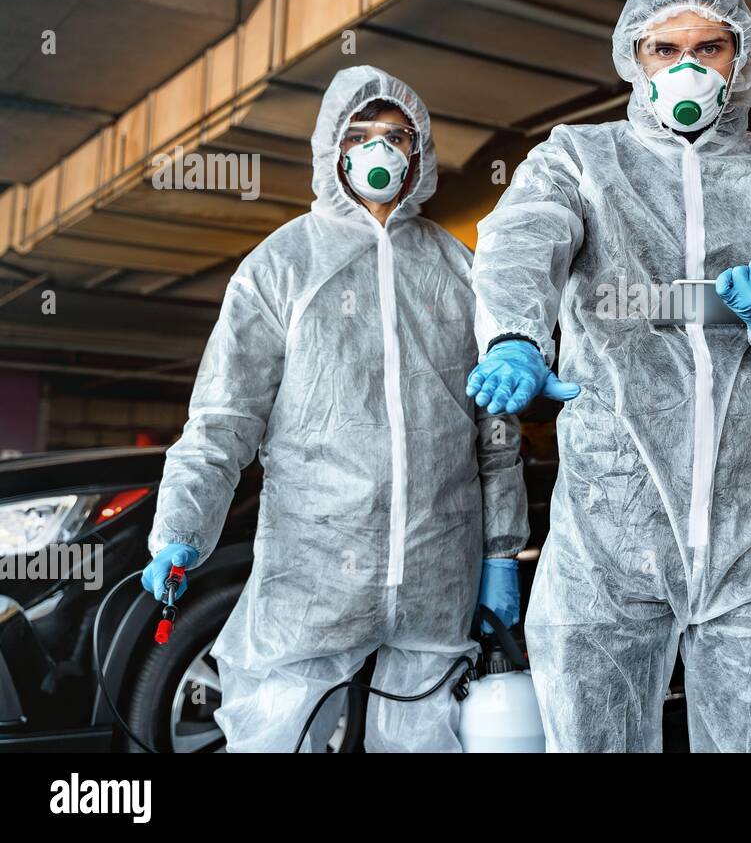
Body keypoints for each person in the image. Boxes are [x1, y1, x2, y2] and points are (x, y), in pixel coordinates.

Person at [467, 0, 751, 752]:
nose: (686, 67)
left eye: (708, 47)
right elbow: (519, 243)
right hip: (610, 537)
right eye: (665, 48)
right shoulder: (581, 161)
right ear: (635, 57)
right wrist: (516, 336)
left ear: (740, 58)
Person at [141, 66, 527, 752]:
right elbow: (223, 419)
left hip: (436, 575)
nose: (381, 150)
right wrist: (181, 527)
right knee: (276, 733)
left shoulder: (456, 270)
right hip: (311, 577)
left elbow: (494, 433)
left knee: (425, 737)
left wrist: (500, 552)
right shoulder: (281, 266)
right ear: (334, 147)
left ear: (420, 152)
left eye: (397, 135)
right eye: (362, 134)